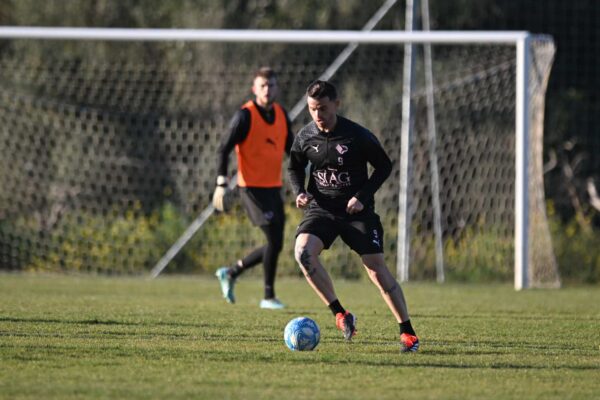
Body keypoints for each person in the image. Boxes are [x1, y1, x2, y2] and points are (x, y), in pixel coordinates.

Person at [287, 80, 420, 352]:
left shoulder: (357, 135)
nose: (318, 115)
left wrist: (361, 196)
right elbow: (294, 167)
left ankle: (407, 333)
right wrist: (300, 191)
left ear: (337, 104)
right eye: (312, 109)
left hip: (354, 211)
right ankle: (341, 314)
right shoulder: (305, 136)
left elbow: (384, 166)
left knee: (375, 269)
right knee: (303, 253)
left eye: (323, 108)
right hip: (321, 209)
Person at [213, 67, 294, 310]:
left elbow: (292, 149)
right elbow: (223, 149)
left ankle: (231, 272)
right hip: (250, 189)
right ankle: (268, 297)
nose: (267, 90)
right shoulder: (244, 116)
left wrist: (310, 169)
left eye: (271, 85)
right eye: (263, 86)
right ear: (254, 89)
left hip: (273, 187)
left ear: (277, 88)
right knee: (272, 238)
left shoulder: (281, 114)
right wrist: (221, 183)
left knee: (277, 244)